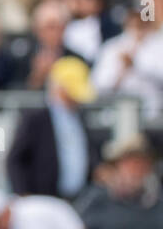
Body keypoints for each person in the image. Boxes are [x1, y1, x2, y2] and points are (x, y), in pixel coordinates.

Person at [6, 55, 97, 199]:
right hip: (43, 199)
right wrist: (23, 194)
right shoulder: (36, 119)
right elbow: (15, 160)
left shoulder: (80, 118)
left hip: (79, 199)